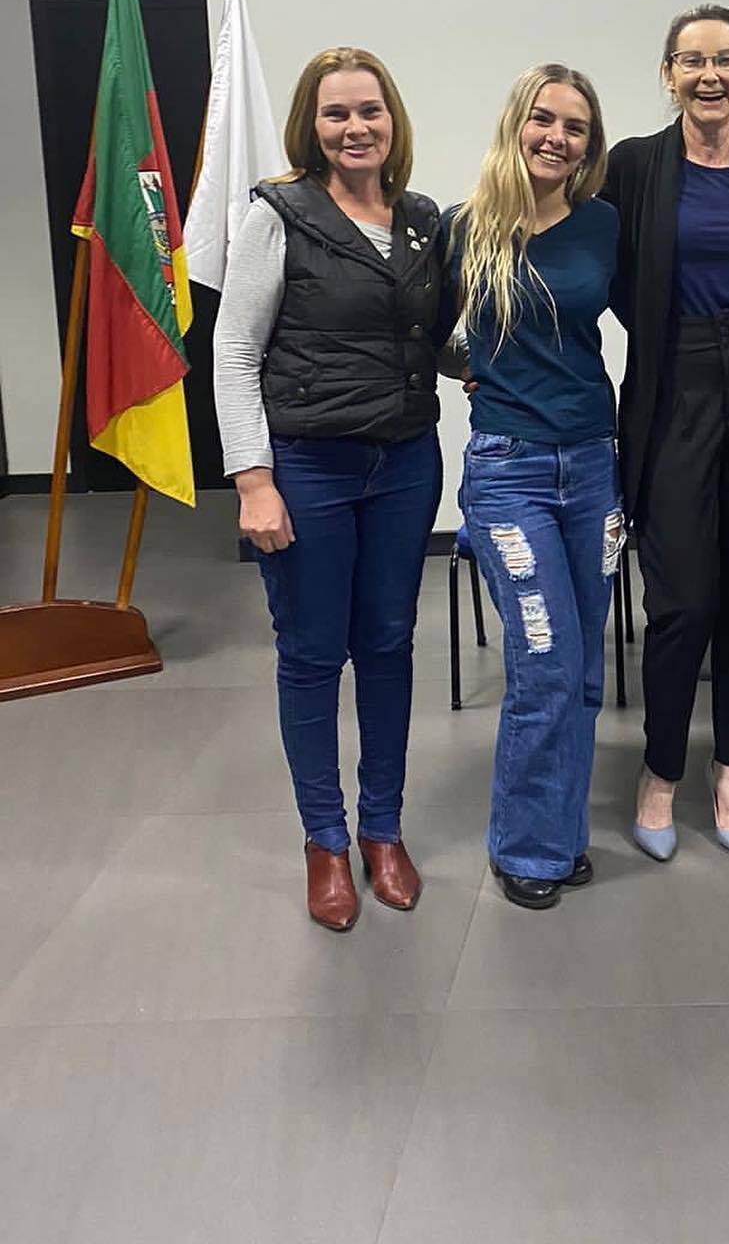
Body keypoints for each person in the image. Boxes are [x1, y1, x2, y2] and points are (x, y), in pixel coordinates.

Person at [214, 48, 445, 931]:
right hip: (308, 467)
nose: (356, 129)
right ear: (311, 125)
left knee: (388, 645)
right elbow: (234, 353)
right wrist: (254, 481)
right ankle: (325, 841)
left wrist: (508, 364)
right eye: (337, 113)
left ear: (394, 121)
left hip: (405, 464)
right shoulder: (280, 214)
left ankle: (383, 829)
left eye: (370, 112)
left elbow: (430, 337)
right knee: (314, 655)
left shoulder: (421, 220)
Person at [603, 4, 729, 862]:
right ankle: (659, 771)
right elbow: (609, 275)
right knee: (682, 603)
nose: (710, 75)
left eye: (726, 59)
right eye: (692, 61)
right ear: (668, 76)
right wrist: (672, 336)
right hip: (675, 391)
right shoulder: (636, 165)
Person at [448, 64, 623, 911]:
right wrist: (476, 373)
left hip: (594, 465)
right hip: (509, 472)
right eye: (544, 120)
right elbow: (418, 336)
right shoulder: (465, 228)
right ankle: (527, 847)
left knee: (585, 663)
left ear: (590, 145)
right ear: (517, 123)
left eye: (576, 127)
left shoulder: (604, 227)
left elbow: (652, 322)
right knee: (545, 660)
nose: (557, 137)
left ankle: (558, 833)